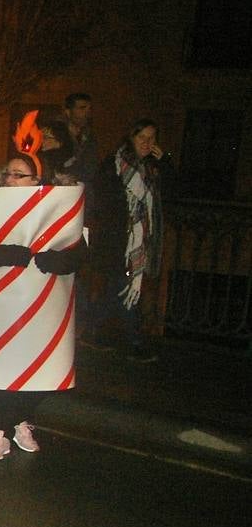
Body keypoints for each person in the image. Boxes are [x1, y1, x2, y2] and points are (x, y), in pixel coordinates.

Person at [0, 143, 87, 459]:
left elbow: (80, 251)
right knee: (1, 368)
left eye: (20, 175)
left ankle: (20, 420)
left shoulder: (58, 206)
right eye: (8, 174)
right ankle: (0, 433)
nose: (11, 180)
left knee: (43, 370)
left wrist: (59, 261)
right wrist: (9, 254)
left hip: (43, 307)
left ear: (36, 179)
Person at [92, 118, 172, 361]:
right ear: (131, 137)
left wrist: (165, 163)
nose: (147, 143)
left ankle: (90, 329)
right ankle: (134, 342)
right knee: (126, 288)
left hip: (139, 242)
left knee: (118, 290)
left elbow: (173, 192)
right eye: (142, 137)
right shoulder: (115, 164)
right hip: (119, 241)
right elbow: (105, 200)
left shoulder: (152, 168)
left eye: (152, 138)